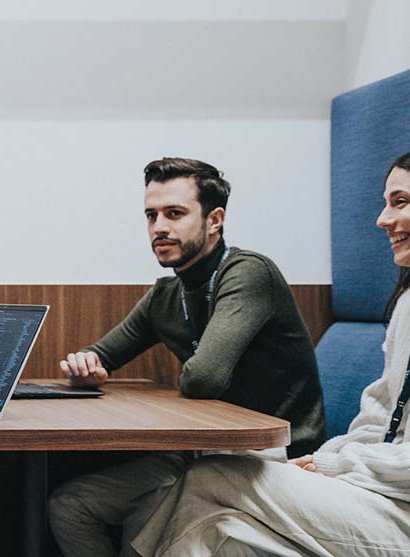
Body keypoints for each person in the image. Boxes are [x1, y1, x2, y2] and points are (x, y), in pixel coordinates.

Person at [131, 143, 410, 556]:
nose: (383, 219)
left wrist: (339, 466)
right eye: (385, 204)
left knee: (213, 475)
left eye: (400, 202)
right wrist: (326, 459)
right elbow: (378, 418)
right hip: (386, 497)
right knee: (222, 533)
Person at [48, 158, 327, 557]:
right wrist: (86, 366)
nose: (159, 227)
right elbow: (101, 353)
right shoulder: (167, 294)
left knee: (142, 533)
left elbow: (204, 378)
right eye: (151, 215)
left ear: (215, 220)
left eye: (175, 214)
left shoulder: (248, 273)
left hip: (271, 458)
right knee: (70, 506)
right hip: (200, 452)